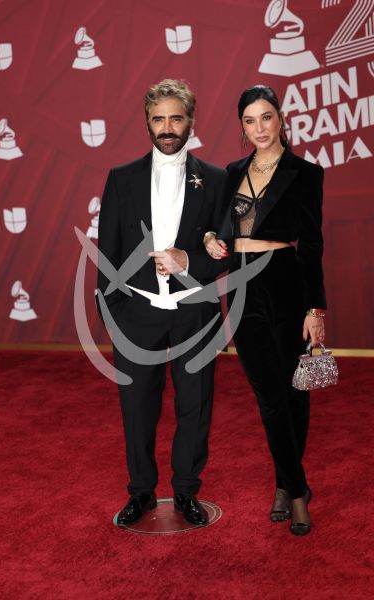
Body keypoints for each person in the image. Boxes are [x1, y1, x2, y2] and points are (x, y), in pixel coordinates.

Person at [97, 79, 229, 527]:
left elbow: (227, 247)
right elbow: (108, 254)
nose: (168, 127)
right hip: (136, 314)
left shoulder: (216, 179)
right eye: (159, 119)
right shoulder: (121, 178)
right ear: (147, 123)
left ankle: (187, 491)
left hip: (196, 312)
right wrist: (114, 316)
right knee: (138, 408)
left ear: (191, 121)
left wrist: (191, 258)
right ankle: (141, 492)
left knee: (196, 405)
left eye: (176, 117)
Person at [204, 85, 326, 536]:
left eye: (267, 117)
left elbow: (311, 247)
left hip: (285, 282)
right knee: (268, 396)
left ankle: (289, 490)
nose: (259, 128)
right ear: (242, 126)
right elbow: (215, 225)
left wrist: (316, 309)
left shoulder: (305, 173)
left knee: (294, 394)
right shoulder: (232, 172)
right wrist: (208, 240)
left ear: (281, 119)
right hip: (240, 286)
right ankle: (296, 487)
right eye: (250, 120)